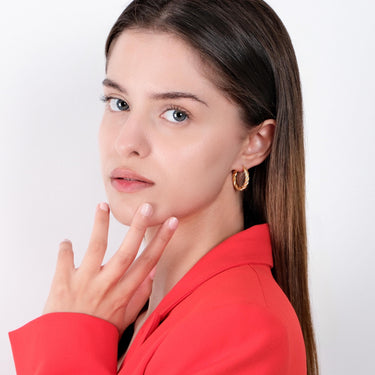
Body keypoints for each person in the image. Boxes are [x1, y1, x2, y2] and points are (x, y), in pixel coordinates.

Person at [9, 0, 319, 374]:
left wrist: (71, 337)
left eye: (176, 114)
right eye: (119, 102)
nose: (127, 142)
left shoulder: (245, 329)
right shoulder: (134, 311)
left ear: (254, 143)